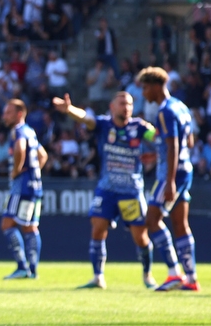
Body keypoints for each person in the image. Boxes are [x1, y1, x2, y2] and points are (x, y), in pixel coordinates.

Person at [52, 91, 158, 289]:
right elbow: (87, 119)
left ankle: (147, 275)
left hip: (131, 191)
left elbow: (158, 136)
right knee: (98, 228)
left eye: (129, 104)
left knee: (140, 236)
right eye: (121, 103)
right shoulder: (103, 125)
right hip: (107, 190)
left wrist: (166, 140)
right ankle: (98, 277)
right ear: (112, 107)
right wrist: (70, 110)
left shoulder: (139, 127)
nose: (126, 107)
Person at [138, 67, 200, 292]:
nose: (144, 93)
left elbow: (174, 145)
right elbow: (189, 142)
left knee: (152, 219)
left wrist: (170, 179)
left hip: (171, 174)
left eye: (145, 88)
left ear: (156, 86)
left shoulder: (164, 111)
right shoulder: (181, 107)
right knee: (180, 224)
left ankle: (174, 273)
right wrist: (157, 155)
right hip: (186, 168)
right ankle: (191, 278)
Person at [0, 99, 47, 280]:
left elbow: (20, 148)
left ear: (19, 114)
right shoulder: (30, 131)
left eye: (8, 113)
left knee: (7, 224)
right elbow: (43, 155)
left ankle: (22, 267)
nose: (5, 116)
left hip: (21, 186)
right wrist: (34, 172)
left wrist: (16, 171)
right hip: (35, 185)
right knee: (30, 227)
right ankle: (33, 269)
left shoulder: (18, 131)